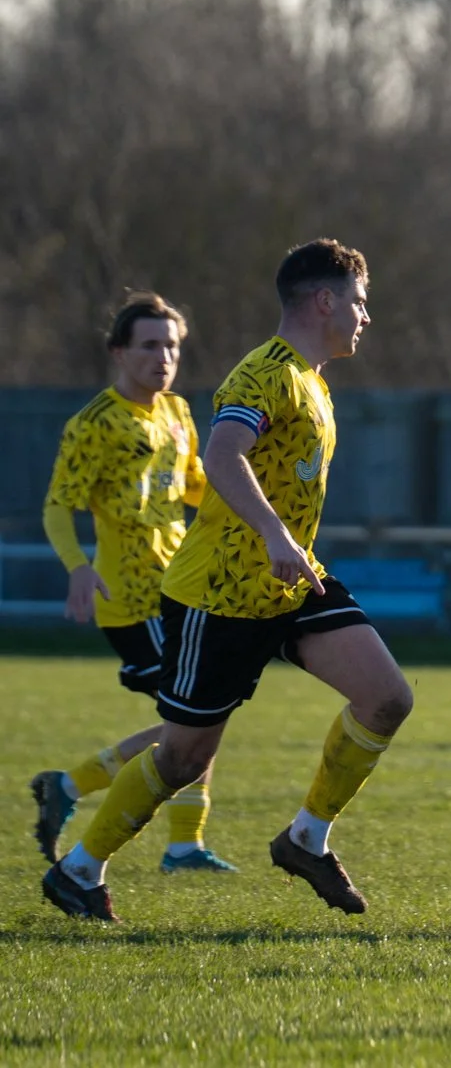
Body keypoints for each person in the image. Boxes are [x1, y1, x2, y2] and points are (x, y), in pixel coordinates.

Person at [41, 240, 412, 923]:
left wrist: (283, 546)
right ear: (325, 300)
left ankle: (307, 838)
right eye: (359, 301)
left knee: (387, 697)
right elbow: (222, 452)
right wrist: (272, 533)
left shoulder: (314, 380)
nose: (367, 315)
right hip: (219, 594)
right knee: (182, 757)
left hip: (292, 582)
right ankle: (78, 868)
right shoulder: (263, 373)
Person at [30, 293, 235, 874]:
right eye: (149, 345)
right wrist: (77, 566)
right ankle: (96, 800)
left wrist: (246, 502)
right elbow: (57, 506)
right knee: (197, 718)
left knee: (202, 717)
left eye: (171, 345)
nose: (163, 356)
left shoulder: (177, 413)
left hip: (180, 586)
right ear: (119, 351)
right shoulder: (95, 423)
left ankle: (168, 838)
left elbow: (193, 486)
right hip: (130, 599)